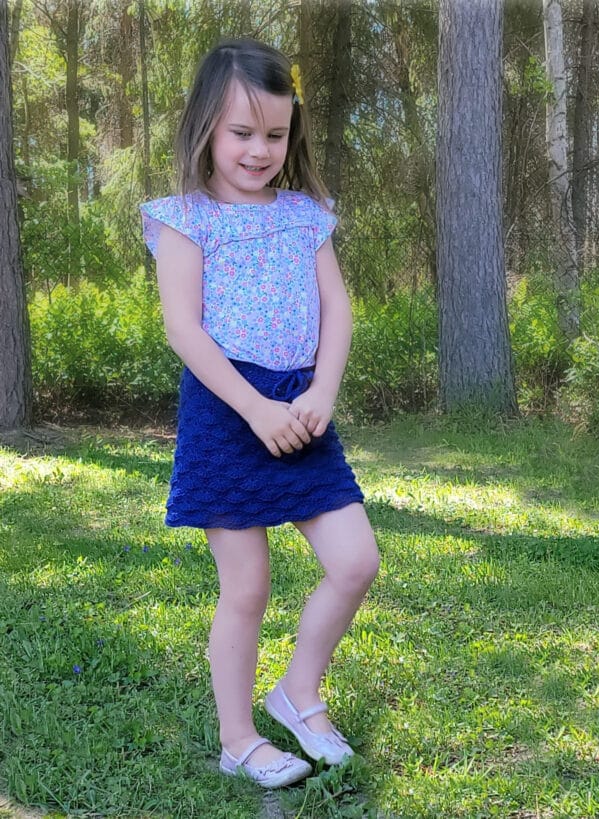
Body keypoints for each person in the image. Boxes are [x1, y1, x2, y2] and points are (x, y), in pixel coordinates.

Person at [139, 39, 379, 789]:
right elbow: (184, 328)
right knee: (246, 586)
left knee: (355, 560)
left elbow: (337, 308)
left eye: (274, 134)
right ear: (205, 126)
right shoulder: (185, 218)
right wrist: (252, 408)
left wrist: (321, 394)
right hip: (227, 410)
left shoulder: (306, 215)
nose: (259, 149)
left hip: (303, 405)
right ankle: (238, 737)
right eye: (241, 133)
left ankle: (298, 692)